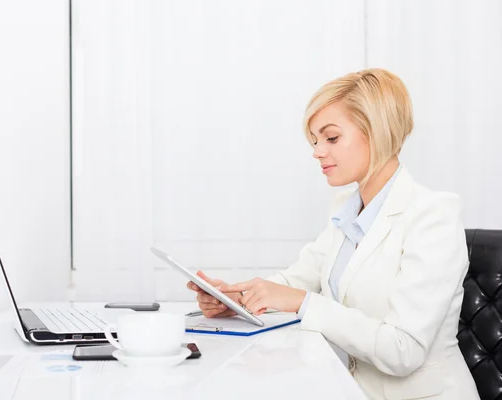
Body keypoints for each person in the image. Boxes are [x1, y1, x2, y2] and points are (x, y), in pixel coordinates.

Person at [187, 69, 479, 400]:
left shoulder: (432, 215)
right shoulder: (346, 208)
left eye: (331, 138)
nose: (317, 151)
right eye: (314, 141)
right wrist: (238, 299)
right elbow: (298, 280)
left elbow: (403, 350)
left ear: (376, 132)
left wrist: (301, 303)